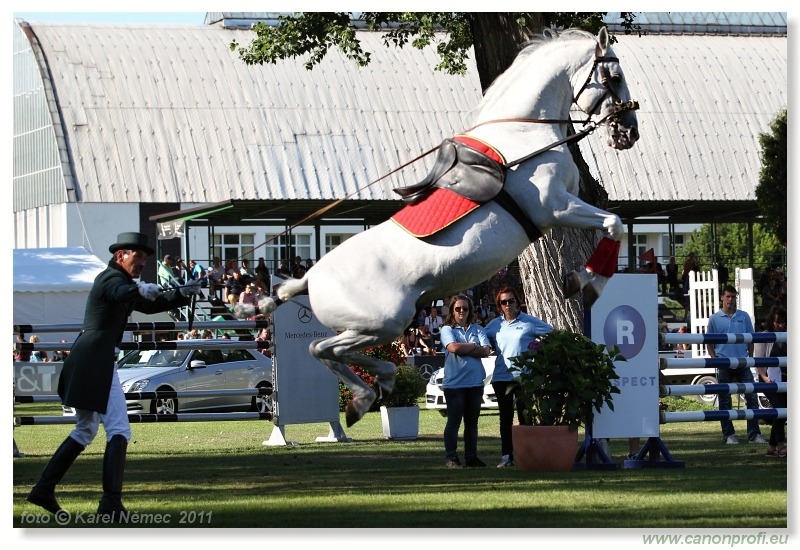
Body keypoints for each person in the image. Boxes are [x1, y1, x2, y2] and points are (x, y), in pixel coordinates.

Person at [27, 232, 200, 521]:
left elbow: (150, 304)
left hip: (93, 359)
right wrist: (140, 289)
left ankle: (45, 488)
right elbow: (123, 294)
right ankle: (110, 502)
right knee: (119, 428)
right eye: (138, 256)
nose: (142, 261)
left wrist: (183, 292)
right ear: (121, 256)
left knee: (85, 430)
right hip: (97, 359)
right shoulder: (110, 279)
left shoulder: (121, 282)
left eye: (145, 258)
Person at [484, 285, 553, 468]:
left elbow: (552, 332)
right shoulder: (494, 325)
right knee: (505, 418)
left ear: (517, 302)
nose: (507, 305)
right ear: (499, 305)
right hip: (501, 377)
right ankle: (507, 457)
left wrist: (538, 352)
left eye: (511, 301)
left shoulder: (529, 322)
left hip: (524, 377)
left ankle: (526, 456)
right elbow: (483, 340)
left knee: (525, 417)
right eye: (503, 302)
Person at [705, 285, 766, 445]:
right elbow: (709, 342)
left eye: (733, 297)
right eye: (728, 296)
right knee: (724, 400)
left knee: (752, 398)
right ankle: (728, 435)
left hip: (743, 362)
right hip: (724, 362)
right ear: (722, 297)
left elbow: (751, 338)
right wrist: (715, 359)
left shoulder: (744, 316)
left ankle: (754, 434)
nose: (731, 300)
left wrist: (750, 357)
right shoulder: (714, 318)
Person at [439, 294, 493, 468]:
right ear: (452, 311)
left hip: (475, 383)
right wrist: (473, 346)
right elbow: (453, 348)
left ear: (470, 311)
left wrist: (466, 348)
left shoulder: (478, 329)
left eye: (465, 308)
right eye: (458, 308)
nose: (462, 311)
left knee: (472, 423)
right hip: (454, 384)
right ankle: (451, 458)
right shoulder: (447, 330)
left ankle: (472, 458)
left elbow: (486, 351)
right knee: (454, 422)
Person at [754, 306, 787, 458]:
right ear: (771, 322)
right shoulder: (764, 336)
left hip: (785, 379)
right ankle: (781, 445)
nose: (781, 325)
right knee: (780, 409)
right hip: (768, 378)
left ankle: (771, 448)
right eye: (778, 322)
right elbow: (758, 361)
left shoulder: (788, 335)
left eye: (783, 322)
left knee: (783, 413)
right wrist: (765, 378)